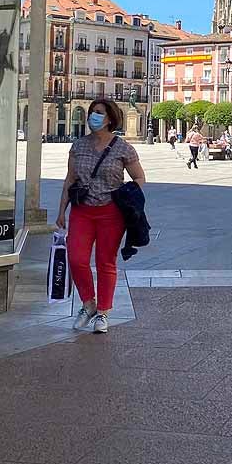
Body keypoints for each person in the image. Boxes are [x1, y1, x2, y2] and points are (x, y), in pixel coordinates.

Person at [55, 98, 145, 334]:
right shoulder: (78, 146)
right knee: (76, 259)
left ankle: (103, 313)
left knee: (105, 262)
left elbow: (139, 178)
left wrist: (128, 198)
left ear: (110, 119)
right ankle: (88, 303)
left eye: (99, 113)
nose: (93, 116)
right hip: (82, 211)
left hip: (111, 213)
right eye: (92, 112)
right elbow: (70, 180)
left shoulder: (123, 148)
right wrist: (61, 211)